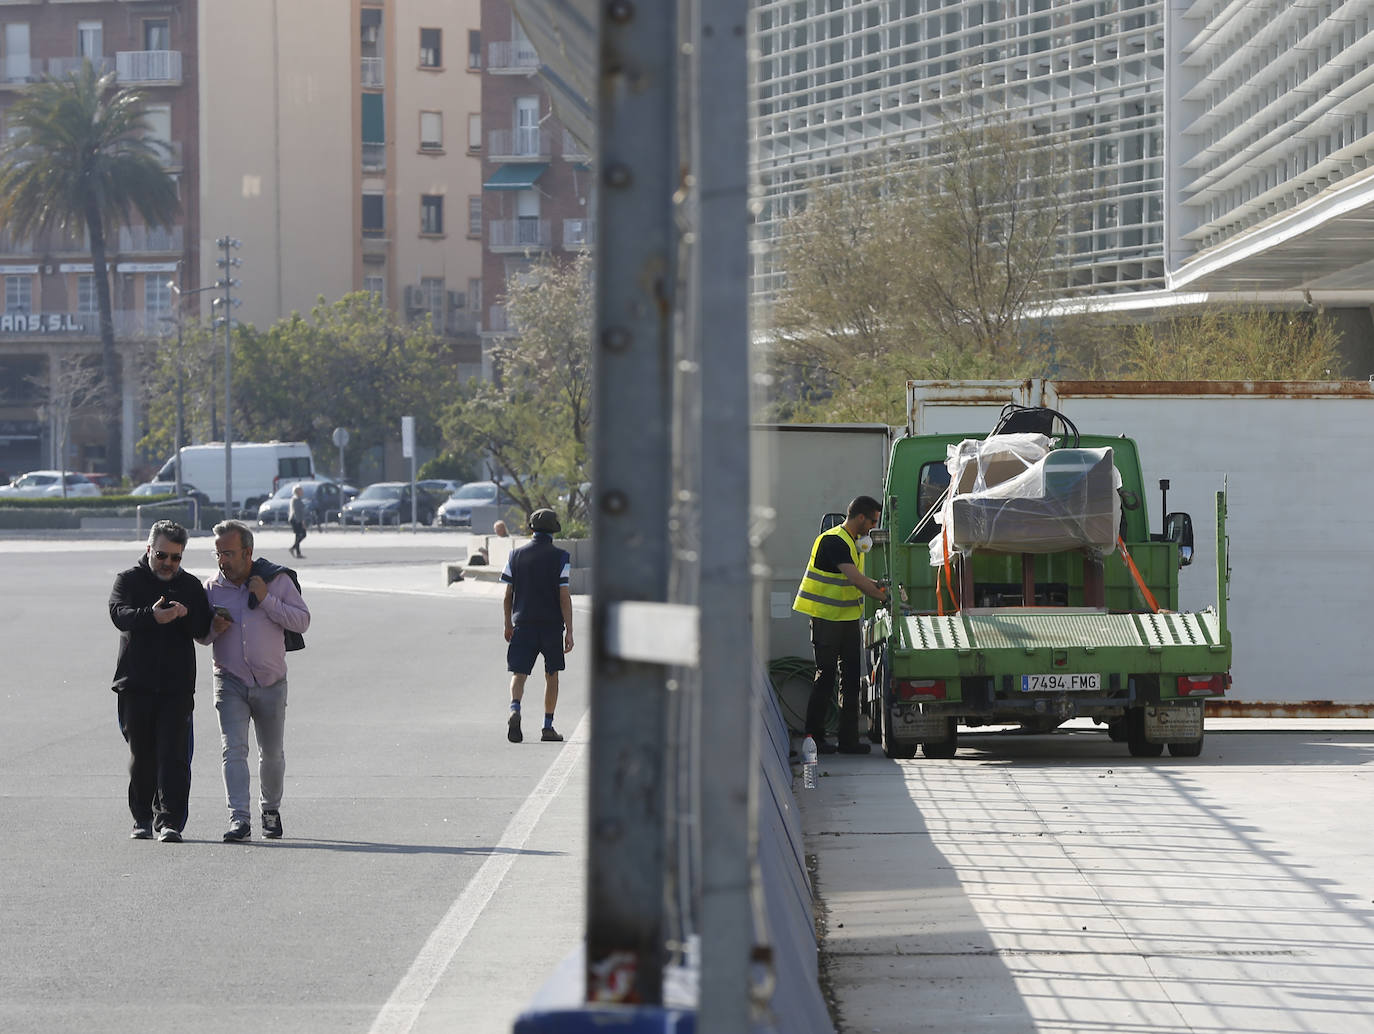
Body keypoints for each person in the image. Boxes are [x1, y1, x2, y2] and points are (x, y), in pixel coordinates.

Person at [200, 519, 310, 842]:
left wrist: (266, 599)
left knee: (271, 752)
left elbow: (302, 620)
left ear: (248, 553)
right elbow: (200, 635)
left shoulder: (276, 581)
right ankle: (239, 819)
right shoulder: (211, 588)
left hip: (270, 682)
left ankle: (270, 810)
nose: (223, 560)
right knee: (233, 749)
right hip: (229, 679)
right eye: (218, 553)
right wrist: (211, 630)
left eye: (229, 553)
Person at [108, 519, 212, 842]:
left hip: (176, 686)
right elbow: (118, 614)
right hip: (135, 684)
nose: (168, 563)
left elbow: (202, 628)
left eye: (176, 557)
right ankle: (141, 816)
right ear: (149, 549)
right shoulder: (128, 580)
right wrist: (151, 616)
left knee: (174, 755)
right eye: (162, 555)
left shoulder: (190, 586)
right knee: (143, 757)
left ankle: (169, 821)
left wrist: (184, 615)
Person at [792, 495, 890, 755]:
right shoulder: (833, 540)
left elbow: (856, 578)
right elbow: (854, 579)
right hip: (826, 619)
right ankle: (814, 738)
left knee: (850, 680)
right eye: (872, 521)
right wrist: (884, 597)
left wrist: (877, 585)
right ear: (860, 517)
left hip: (846, 620)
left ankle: (848, 741)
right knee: (825, 677)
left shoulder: (851, 542)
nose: (872, 527)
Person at [502, 508, 573, 744]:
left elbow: (507, 595)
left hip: (523, 624)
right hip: (552, 627)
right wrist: (569, 630)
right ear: (554, 530)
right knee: (551, 675)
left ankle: (515, 708)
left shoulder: (515, 556)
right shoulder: (561, 557)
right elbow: (564, 596)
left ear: (531, 528)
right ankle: (547, 727)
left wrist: (507, 624)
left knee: (519, 673)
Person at [288, 483, 307, 559]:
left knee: (298, 536)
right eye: (300, 490)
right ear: (297, 491)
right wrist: (302, 522)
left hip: (296, 519)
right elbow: (296, 512)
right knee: (303, 534)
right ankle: (293, 548)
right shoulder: (295, 499)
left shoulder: (297, 499)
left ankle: (298, 553)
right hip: (296, 520)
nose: (302, 491)